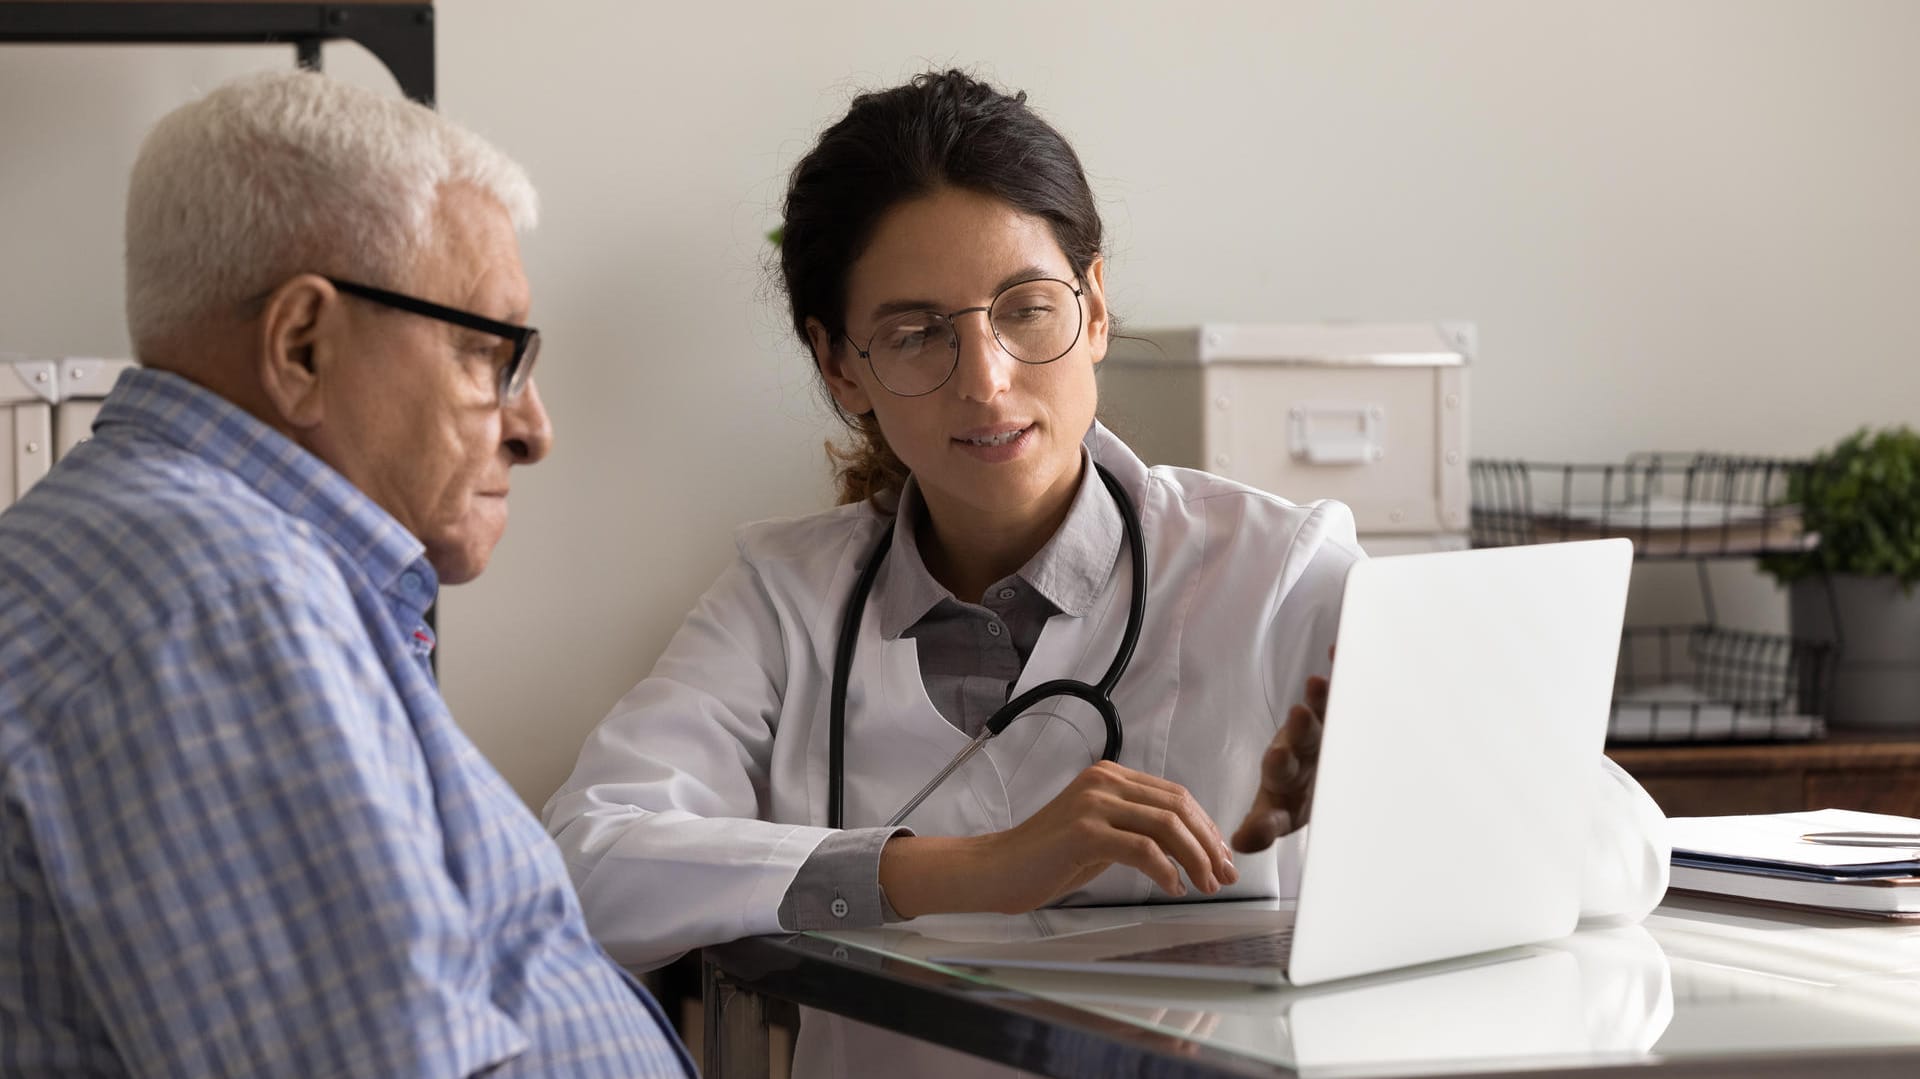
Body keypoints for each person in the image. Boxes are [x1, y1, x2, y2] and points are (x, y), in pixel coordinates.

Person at [544, 70, 1669, 1075]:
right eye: (918, 331)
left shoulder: (1272, 570)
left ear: (1093, 306)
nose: (986, 380)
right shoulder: (786, 599)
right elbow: (581, 862)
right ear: (841, 363)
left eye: (1026, 309)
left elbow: (1625, 845)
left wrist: (1400, 789)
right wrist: (957, 870)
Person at [0, 71, 691, 1077]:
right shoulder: (222, 599)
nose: (533, 429)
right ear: (303, 344)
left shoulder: (169, 565)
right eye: (486, 352)